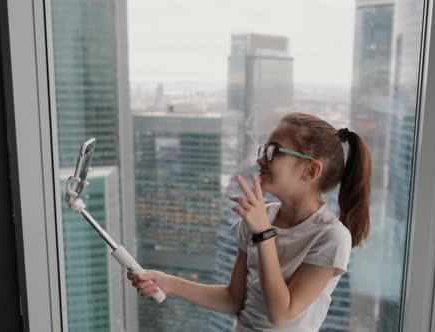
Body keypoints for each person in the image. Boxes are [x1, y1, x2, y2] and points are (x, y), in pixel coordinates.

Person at [127, 112, 372, 331]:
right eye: (263, 149)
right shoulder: (258, 218)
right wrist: (169, 283)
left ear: (311, 171)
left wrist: (263, 234)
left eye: (274, 151)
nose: (261, 159)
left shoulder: (331, 237)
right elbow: (234, 299)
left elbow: (281, 314)